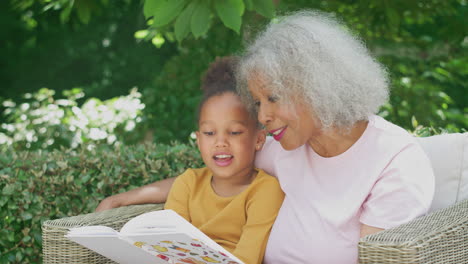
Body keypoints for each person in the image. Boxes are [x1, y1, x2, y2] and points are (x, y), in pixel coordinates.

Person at [97, 11, 435, 264]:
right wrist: (124, 198)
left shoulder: (395, 160)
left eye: (273, 98)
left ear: (316, 86)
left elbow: (378, 258)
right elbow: (221, 168)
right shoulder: (287, 146)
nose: (262, 117)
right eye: (258, 103)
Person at [108, 57, 284, 264]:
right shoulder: (188, 184)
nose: (220, 142)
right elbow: (168, 244)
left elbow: (247, 259)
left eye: (235, 132)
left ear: (259, 139)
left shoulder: (265, 190)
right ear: (198, 140)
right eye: (209, 133)